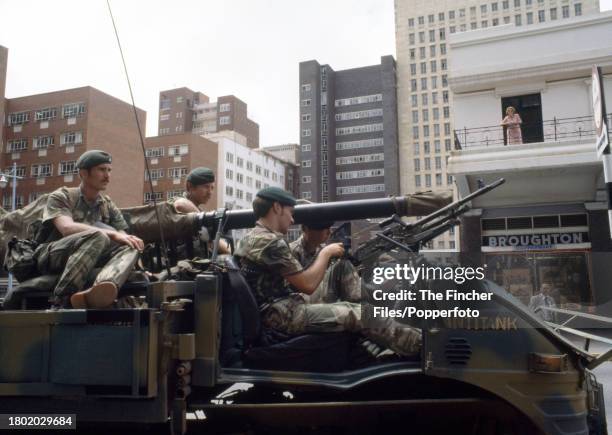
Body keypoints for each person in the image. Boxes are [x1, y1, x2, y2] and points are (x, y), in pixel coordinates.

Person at [234, 187, 421, 356]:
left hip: (283, 308)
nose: (292, 220)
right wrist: (326, 252)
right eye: (290, 213)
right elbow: (307, 285)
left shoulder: (253, 237)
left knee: (344, 277)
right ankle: (420, 345)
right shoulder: (269, 241)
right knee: (355, 313)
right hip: (282, 315)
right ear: (276, 208)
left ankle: (376, 331)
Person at [34, 150, 144, 309]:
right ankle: (62, 299)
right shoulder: (62, 196)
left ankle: (102, 288)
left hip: (92, 256)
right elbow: (66, 228)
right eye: (101, 170)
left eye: (109, 170)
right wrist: (112, 234)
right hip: (53, 255)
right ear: (84, 173)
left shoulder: (106, 204)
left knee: (131, 244)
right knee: (98, 235)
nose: (107, 176)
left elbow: (123, 235)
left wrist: (136, 256)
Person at [290, 221, 361, 303]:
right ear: (306, 229)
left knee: (343, 264)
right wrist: (326, 253)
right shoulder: (292, 252)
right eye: (323, 228)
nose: (329, 232)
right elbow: (302, 287)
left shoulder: (322, 248)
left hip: (323, 295)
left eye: (329, 228)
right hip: (304, 302)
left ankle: (358, 306)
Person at [168, 166, 230, 255]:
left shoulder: (197, 210)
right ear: (190, 186)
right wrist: (204, 222)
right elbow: (180, 204)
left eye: (212, 188)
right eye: (206, 187)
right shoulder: (176, 202)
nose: (210, 192)